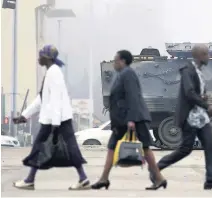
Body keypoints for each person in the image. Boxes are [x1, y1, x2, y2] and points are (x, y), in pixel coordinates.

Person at [149, 44, 212, 190]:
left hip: (200, 116)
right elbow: (189, 93)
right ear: (199, 56)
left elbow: (195, 93)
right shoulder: (188, 71)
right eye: (206, 54)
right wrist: (207, 106)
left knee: (210, 146)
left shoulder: (197, 71)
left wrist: (203, 98)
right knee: (185, 149)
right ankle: (155, 169)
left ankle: (210, 180)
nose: (208, 57)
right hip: (190, 116)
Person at [12, 45, 90, 190]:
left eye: (40, 55)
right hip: (58, 119)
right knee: (69, 148)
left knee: (40, 147)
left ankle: (30, 180)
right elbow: (42, 99)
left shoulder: (54, 73)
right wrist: (24, 116)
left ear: (47, 58)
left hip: (55, 120)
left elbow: (55, 99)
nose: (38, 58)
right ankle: (83, 178)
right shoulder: (51, 72)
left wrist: (55, 124)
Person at [91, 50, 167, 190]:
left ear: (123, 61)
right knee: (112, 147)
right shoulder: (121, 75)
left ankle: (159, 178)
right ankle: (104, 178)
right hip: (123, 119)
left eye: (116, 60)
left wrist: (131, 119)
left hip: (134, 118)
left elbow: (133, 96)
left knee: (145, 148)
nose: (114, 63)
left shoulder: (128, 74)